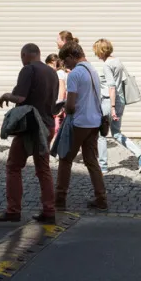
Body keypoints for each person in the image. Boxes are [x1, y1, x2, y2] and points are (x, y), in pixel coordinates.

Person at [0, 43, 58, 223]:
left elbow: (20, 98)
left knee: (13, 166)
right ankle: (49, 211)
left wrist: (5, 96)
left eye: (21, 57)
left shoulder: (29, 69)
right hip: (48, 125)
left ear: (25, 55)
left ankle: (13, 210)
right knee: (43, 169)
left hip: (32, 126)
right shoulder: (52, 72)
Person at [55, 43, 107, 212]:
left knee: (65, 159)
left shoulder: (75, 74)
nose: (65, 65)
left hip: (79, 123)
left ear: (71, 56)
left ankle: (60, 199)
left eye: (65, 61)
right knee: (91, 161)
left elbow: (71, 106)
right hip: (94, 122)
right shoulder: (92, 70)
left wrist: (63, 107)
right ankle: (101, 198)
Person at [93, 39, 141, 175]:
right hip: (120, 101)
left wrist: (111, 107)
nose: (96, 54)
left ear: (101, 51)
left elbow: (111, 86)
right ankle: (140, 153)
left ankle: (103, 166)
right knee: (116, 133)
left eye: (96, 51)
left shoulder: (107, 65)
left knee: (101, 134)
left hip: (108, 102)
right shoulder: (117, 61)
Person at [45, 53, 66, 137]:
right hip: (58, 105)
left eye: (52, 64)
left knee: (56, 128)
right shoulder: (55, 73)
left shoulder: (59, 73)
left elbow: (62, 90)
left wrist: (58, 107)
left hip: (58, 105)